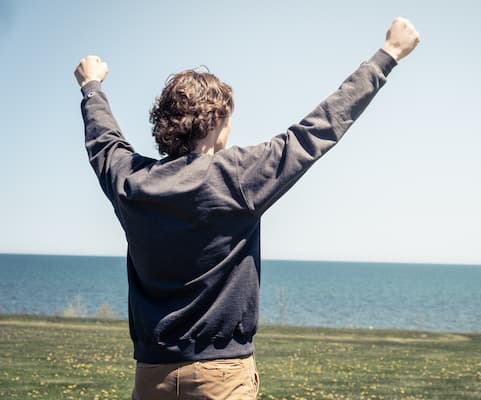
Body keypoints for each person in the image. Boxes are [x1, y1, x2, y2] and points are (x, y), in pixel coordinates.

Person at [75, 16, 420, 400]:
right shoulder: (237, 176)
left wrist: (92, 88)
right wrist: (387, 55)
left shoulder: (131, 183)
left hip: (152, 375)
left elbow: (104, 141)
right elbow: (318, 129)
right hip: (222, 377)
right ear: (217, 119)